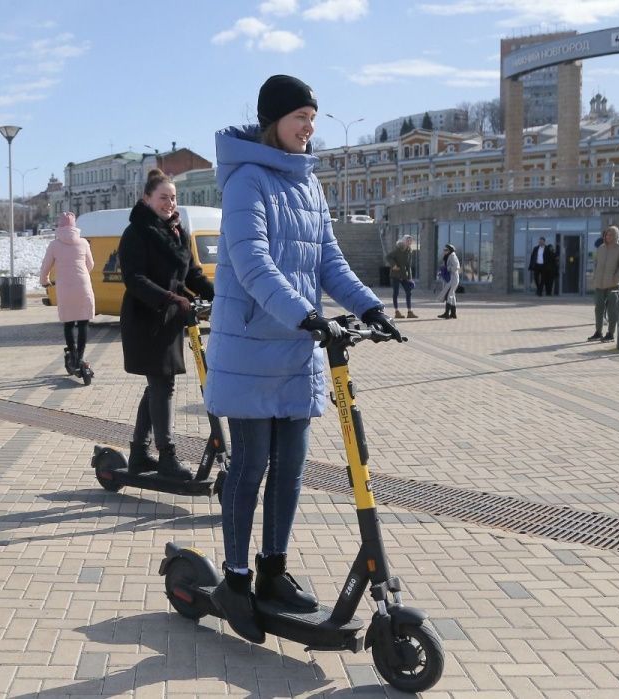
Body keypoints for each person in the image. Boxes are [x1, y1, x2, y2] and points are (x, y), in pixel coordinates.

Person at [204, 74, 399, 644]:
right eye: (300, 117)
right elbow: (251, 262)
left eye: (313, 117)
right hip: (251, 348)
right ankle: (235, 582)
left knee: (290, 469)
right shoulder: (246, 182)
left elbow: (329, 261)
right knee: (249, 467)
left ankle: (272, 571)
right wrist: (307, 316)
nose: (309, 127)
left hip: (296, 348)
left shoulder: (309, 184)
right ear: (274, 121)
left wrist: (369, 307)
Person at [118, 169, 214, 481]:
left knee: (158, 385)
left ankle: (139, 453)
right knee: (162, 385)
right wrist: (171, 299)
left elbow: (192, 274)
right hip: (146, 319)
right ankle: (166, 455)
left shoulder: (178, 232)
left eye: (173, 197)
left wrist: (220, 295)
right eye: (163, 197)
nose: (169, 203)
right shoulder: (136, 232)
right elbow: (135, 279)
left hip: (170, 320)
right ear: (146, 199)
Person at [39, 211, 96, 374]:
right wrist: (82, 274)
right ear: (74, 226)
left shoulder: (54, 245)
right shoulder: (84, 243)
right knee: (84, 322)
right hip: (83, 286)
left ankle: (72, 353)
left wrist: (44, 281)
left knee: (69, 323)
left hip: (64, 288)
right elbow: (90, 264)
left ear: (59, 226)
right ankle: (81, 356)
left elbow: (46, 266)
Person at [589, 225, 619, 342]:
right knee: (598, 309)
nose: (608, 236)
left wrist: (616, 277)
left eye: (611, 234)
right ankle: (598, 332)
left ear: (616, 236)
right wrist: (595, 276)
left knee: (612, 310)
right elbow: (596, 264)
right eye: (607, 234)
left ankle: (610, 334)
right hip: (599, 284)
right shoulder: (601, 248)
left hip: (613, 284)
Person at [386, 234, 417, 318]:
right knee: (396, 293)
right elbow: (388, 257)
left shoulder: (409, 251)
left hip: (404, 276)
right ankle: (397, 312)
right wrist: (394, 265)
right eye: (408, 240)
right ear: (404, 241)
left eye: (410, 240)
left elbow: (409, 266)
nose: (409, 242)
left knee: (408, 292)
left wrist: (410, 278)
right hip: (395, 274)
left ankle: (409, 312)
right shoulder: (398, 249)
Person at [437, 243, 461, 319]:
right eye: (444, 249)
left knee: (449, 295)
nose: (444, 251)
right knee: (452, 295)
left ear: (450, 250)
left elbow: (457, 267)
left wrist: (447, 268)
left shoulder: (453, 256)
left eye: (446, 250)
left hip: (453, 279)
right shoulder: (447, 256)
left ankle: (447, 313)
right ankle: (453, 313)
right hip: (451, 279)